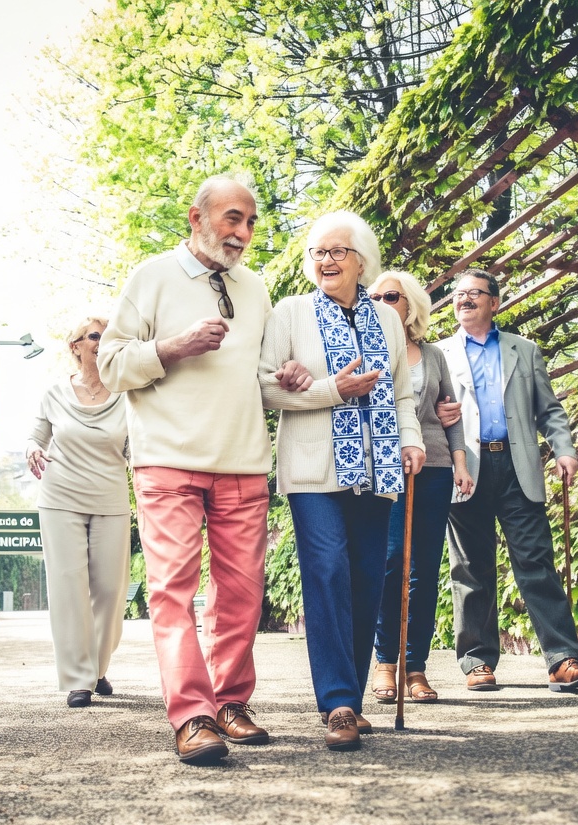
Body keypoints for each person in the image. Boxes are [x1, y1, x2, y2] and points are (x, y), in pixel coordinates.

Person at [97, 175, 311, 765]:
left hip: (242, 459)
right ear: (197, 217)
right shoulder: (152, 276)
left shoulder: (257, 288)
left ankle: (230, 702)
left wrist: (286, 379)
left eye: (250, 223)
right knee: (172, 591)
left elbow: (261, 376)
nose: (242, 234)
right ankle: (191, 715)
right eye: (232, 219)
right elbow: (111, 364)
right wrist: (172, 347)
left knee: (242, 595)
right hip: (168, 460)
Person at [259, 211, 425, 751]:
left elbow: (402, 393)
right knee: (327, 569)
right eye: (317, 253)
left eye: (336, 252)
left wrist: (411, 439)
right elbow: (265, 388)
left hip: (377, 467)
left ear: (361, 261)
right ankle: (337, 703)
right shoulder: (289, 313)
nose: (324, 261)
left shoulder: (389, 321)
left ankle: (350, 697)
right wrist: (333, 388)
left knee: (366, 577)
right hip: (312, 471)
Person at [435, 268, 578, 693]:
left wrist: (564, 448)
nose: (464, 299)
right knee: (470, 567)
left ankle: (563, 659)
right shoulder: (438, 353)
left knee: (535, 560)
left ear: (495, 302)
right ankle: (476, 661)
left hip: (516, 465)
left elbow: (549, 410)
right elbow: (424, 411)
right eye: (459, 293)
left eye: (475, 293)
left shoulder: (524, 350)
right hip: (464, 467)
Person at [367, 270, 473, 705]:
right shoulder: (365, 348)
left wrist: (461, 463)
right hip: (384, 467)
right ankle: (384, 663)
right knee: (391, 562)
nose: (380, 302)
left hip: (433, 467)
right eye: (372, 296)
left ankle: (416, 668)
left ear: (409, 304)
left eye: (389, 296)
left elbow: (450, 411)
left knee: (423, 570)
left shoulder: (432, 356)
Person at [27, 316, 130, 709]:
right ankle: (78, 679)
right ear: (76, 346)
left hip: (110, 499)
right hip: (60, 497)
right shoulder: (54, 392)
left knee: (108, 590)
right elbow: (36, 436)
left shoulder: (127, 393)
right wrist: (30, 449)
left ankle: (97, 667)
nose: (103, 343)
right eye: (95, 336)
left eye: (109, 337)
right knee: (69, 587)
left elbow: (135, 449)